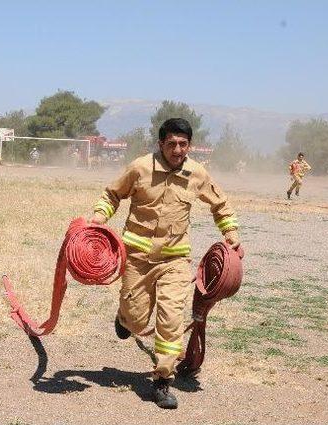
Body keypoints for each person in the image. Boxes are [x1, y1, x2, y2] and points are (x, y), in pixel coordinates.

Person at [90, 118, 240, 409]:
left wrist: (231, 234)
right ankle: (124, 319)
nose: (177, 149)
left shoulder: (197, 174)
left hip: (175, 260)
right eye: (171, 143)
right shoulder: (140, 168)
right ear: (161, 144)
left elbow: (220, 204)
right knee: (135, 319)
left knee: (170, 320)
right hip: (137, 259)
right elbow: (112, 194)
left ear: (190, 145)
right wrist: (97, 220)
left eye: (183, 144)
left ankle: (162, 381)